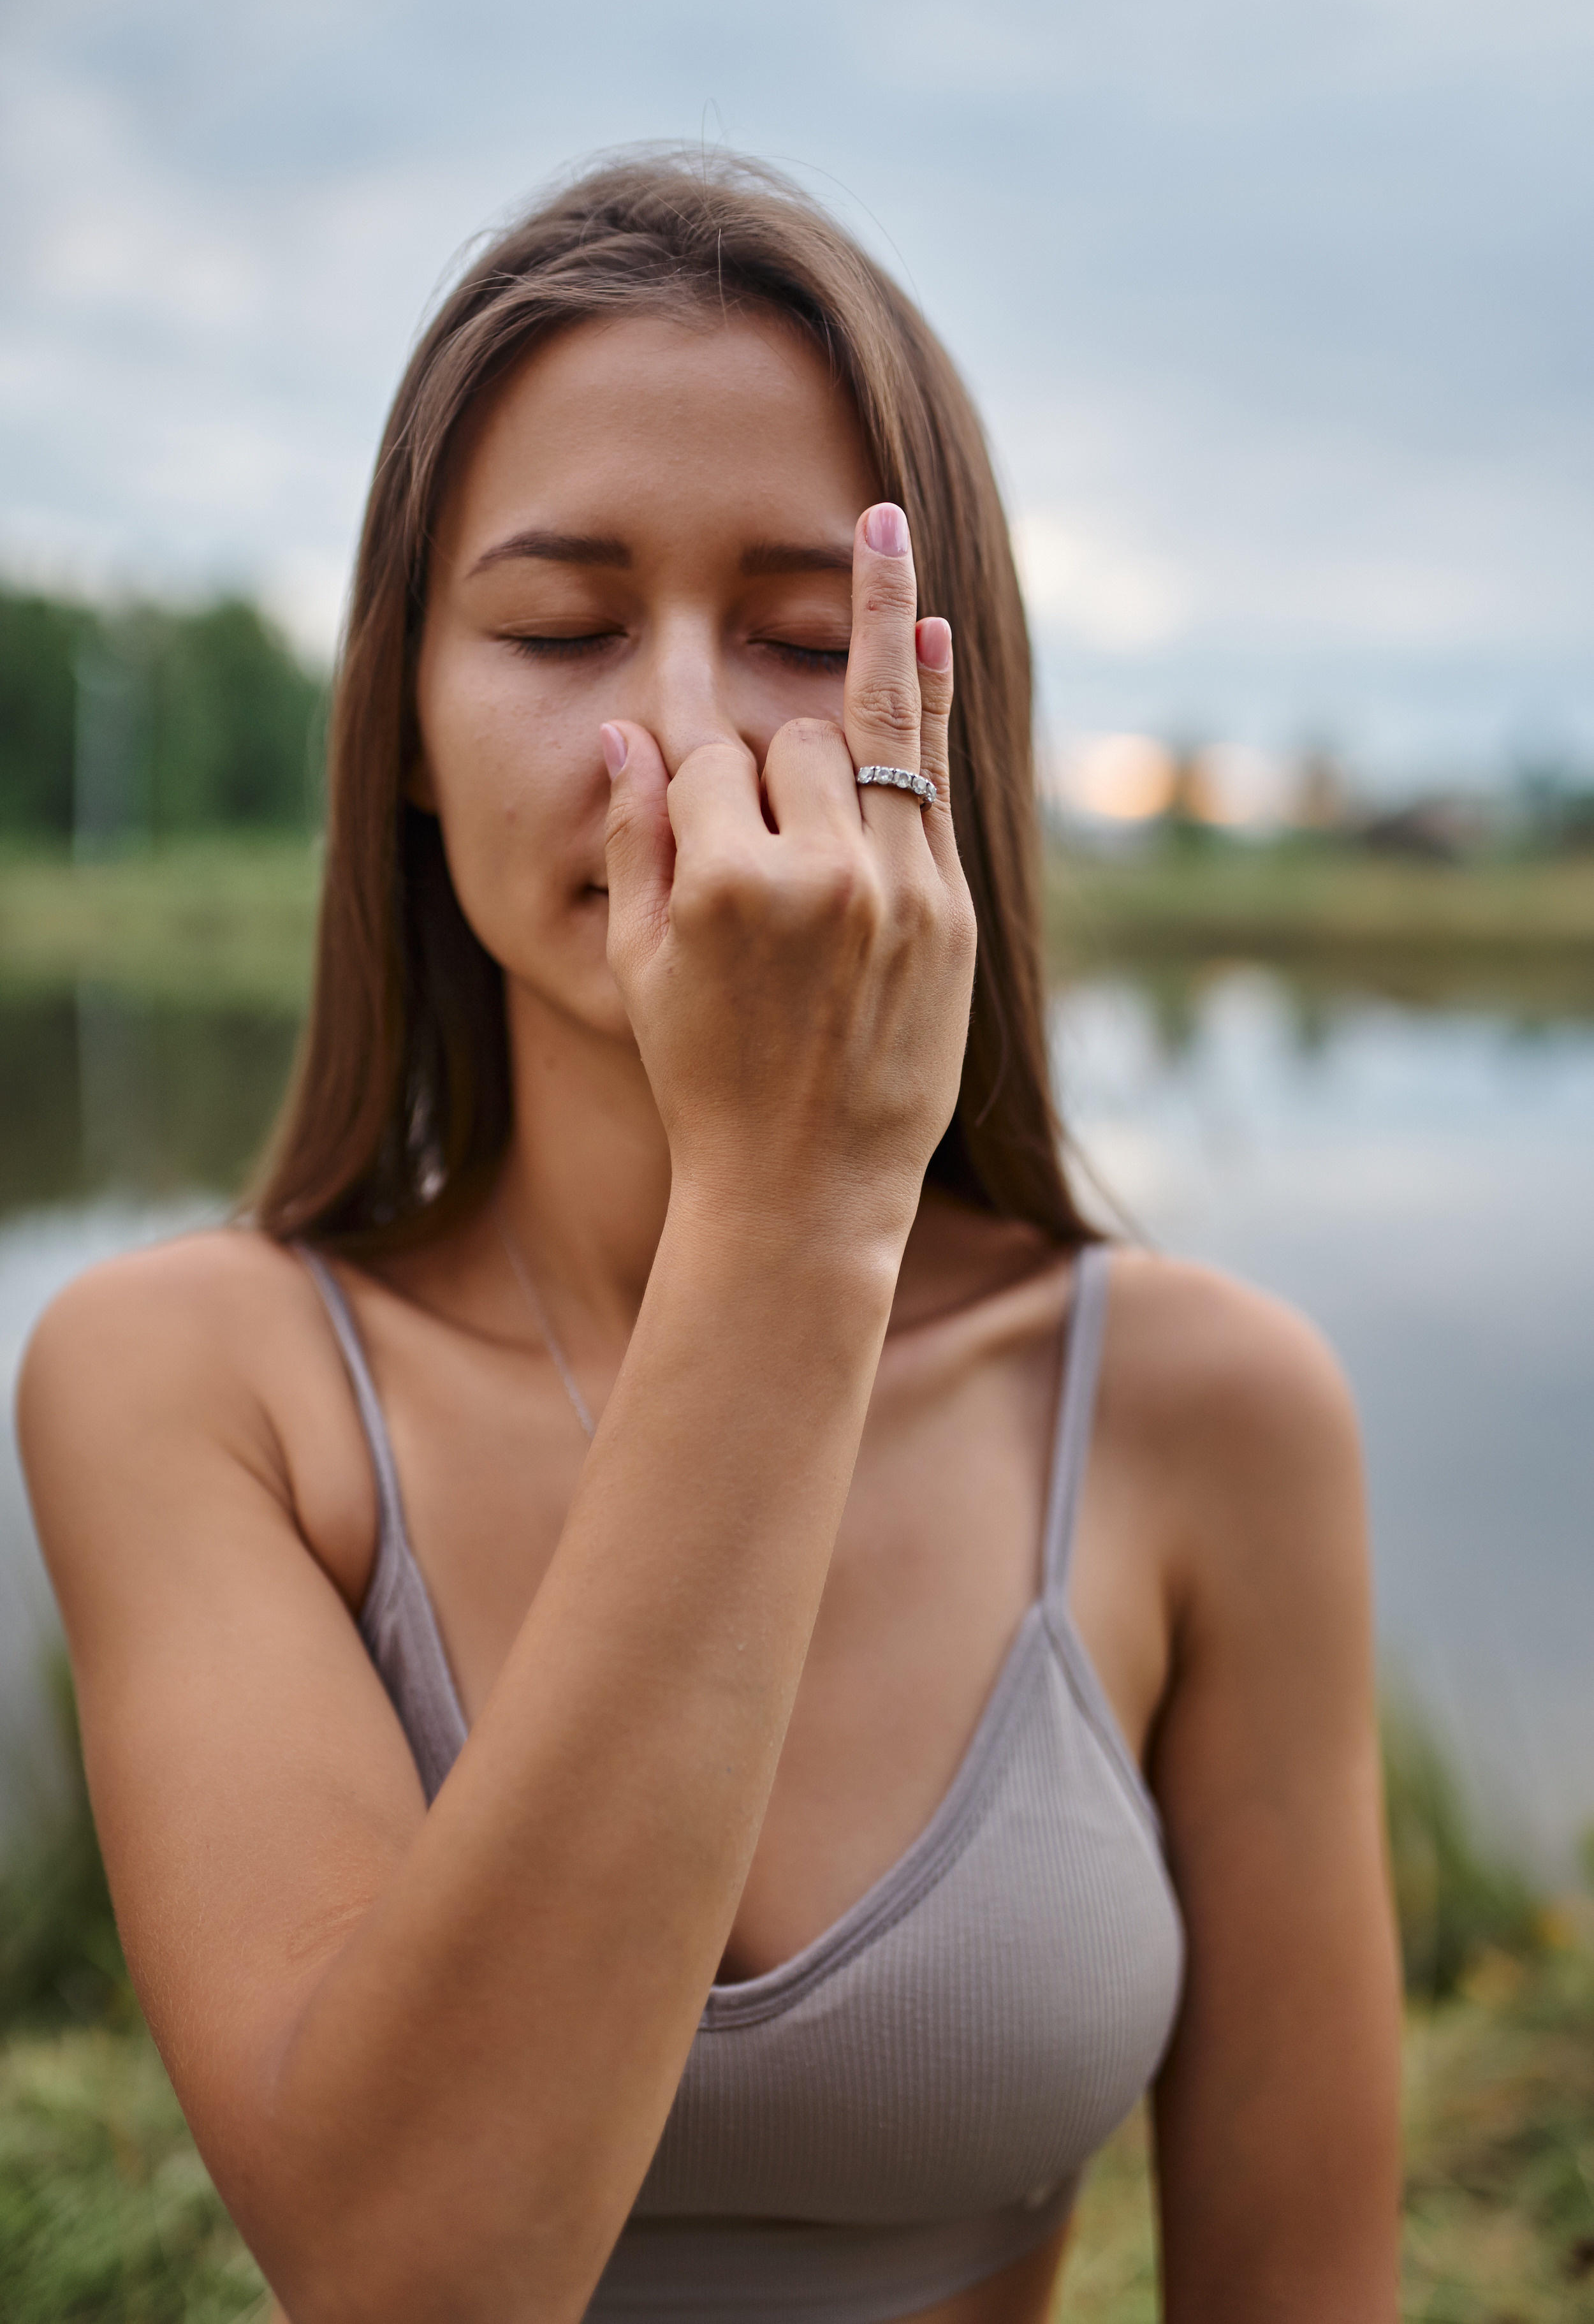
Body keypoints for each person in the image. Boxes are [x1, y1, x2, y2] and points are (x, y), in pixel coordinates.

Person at [18, 154, 1401, 2323]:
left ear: (951, 726)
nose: (674, 732)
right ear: (398, 725)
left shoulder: (1202, 1409)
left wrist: (816, 1204)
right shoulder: (191, 1379)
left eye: (793, 634)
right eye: (560, 627)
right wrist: (788, 1218)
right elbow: (411, 2275)